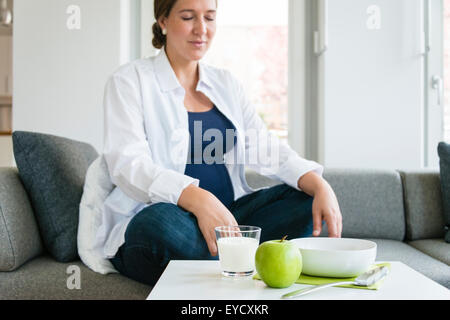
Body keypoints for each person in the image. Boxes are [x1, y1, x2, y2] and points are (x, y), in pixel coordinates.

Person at [98, 0, 343, 286]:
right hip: (170, 221)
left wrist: (318, 183)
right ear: (163, 20)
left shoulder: (226, 84)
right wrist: (195, 198)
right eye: (188, 17)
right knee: (156, 225)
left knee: (309, 200)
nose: (201, 29)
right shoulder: (130, 81)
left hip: (230, 222)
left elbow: (264, 146)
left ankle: (222, 264)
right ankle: (243, 262)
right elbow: (129, 164)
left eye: (210, 18)